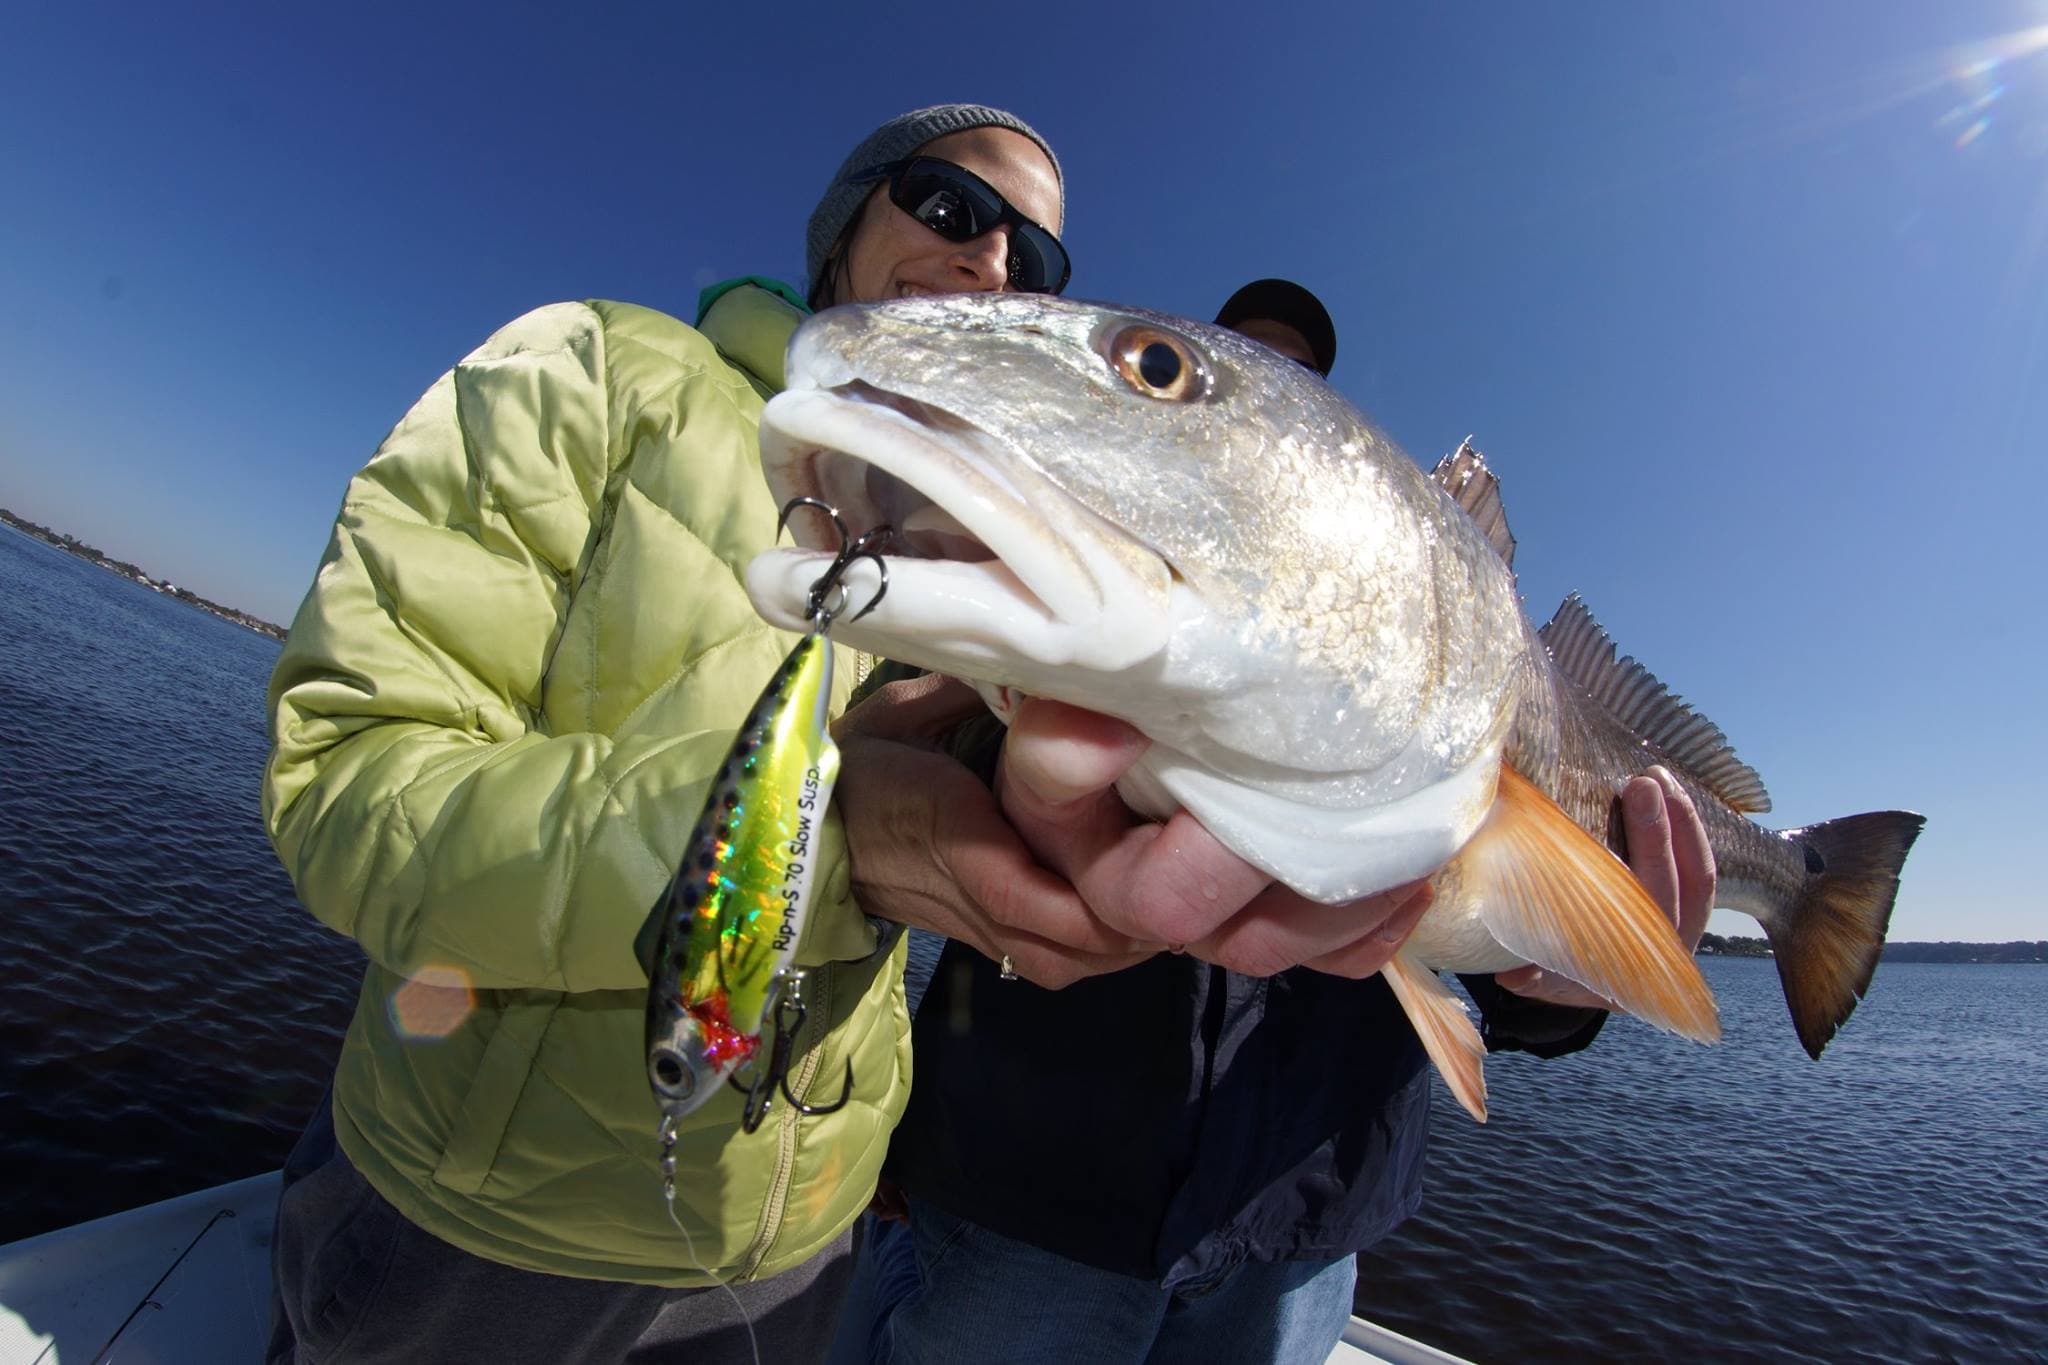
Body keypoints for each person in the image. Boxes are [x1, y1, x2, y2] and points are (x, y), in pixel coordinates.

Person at [259, 101, 1443, 1365]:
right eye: (948, 205)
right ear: (845, 219)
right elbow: (347, 785)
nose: (987, 259)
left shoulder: (997, 555)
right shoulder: (592, 366)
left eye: (1031, 263)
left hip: (796, 1252)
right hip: (484, 1232)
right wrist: (811, 836)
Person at [836, 282, 1718, 1365]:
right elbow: (932, 794)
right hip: (1025, 1200)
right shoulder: (1044, 613)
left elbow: (1496, 964)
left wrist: (1563, 988)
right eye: (1201, 374)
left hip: (1301, 1227)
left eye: (1299, 383)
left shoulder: (1412, 620)